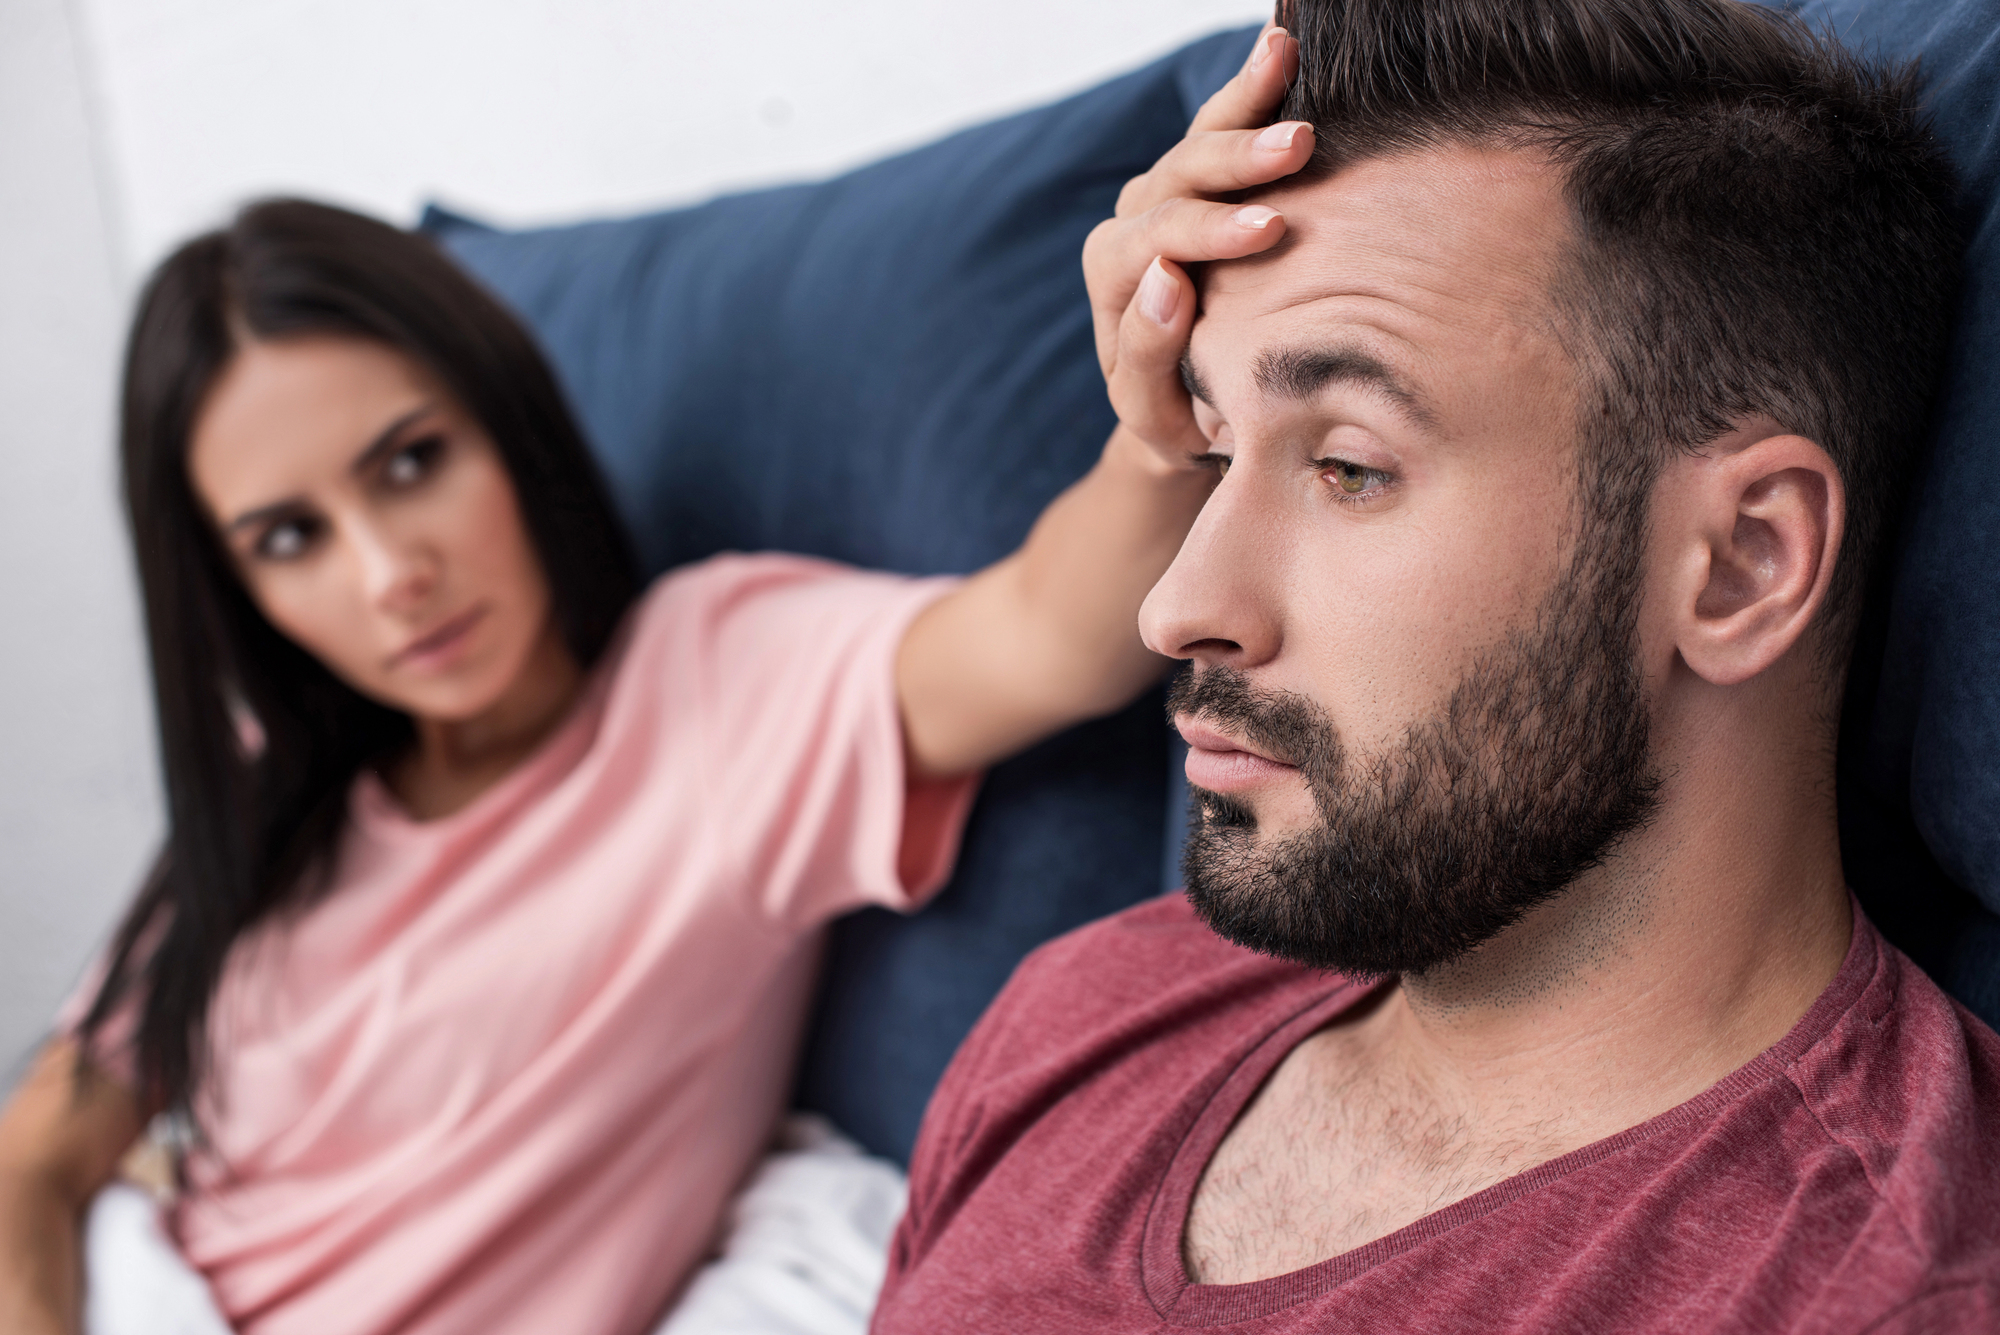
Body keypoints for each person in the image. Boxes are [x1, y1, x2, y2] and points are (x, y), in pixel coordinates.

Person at [0, 144, 1309, 1335]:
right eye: (291, 538)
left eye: (411, 463)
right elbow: (40, 1154)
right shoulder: (268, 796)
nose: (390, 572)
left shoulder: (711, 684)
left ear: (506, 429)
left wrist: (1159, 405)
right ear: (237, 594)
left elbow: (1043, 633)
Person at [870, 2, 2000, 1331]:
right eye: (1219, 452)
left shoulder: (1875, 1293)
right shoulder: (1087, 1009)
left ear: (1744, 559)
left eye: (1348, 466)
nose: (1175, 608)